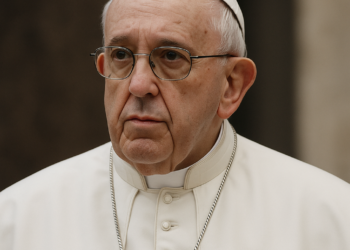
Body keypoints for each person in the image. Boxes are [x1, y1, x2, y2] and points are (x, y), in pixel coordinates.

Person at [1, 0, 350, 249]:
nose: (138, 85)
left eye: (171, 57)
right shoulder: (17, 219)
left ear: (231, 85)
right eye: (122, 56)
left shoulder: (331, 219)